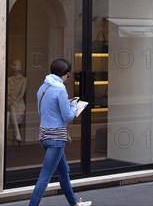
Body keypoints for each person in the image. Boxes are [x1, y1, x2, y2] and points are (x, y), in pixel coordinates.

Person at [28, 58, 92, 206]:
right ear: (64, 74)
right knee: (45, 176)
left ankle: (74, 203)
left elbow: (45, 111)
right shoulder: (60, 89)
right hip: (57, 137)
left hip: (44, 135)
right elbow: (68, 117)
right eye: (68, 75)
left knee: (64, 171)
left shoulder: (43, 87)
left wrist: (66, 103)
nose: (68, 78)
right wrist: (74, 106)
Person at [7, 60, 27, 142]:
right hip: (9, 102)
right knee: (9, 110)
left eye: (19, 66)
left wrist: (15, 101)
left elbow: (22, 93)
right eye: (15, 65)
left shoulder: (24, 79)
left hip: (19, 104)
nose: (17, 67)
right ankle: (17, 133)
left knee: (11, 110)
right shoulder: (9, 79)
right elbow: (7, 93)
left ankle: (16, 132)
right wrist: (11, 101)